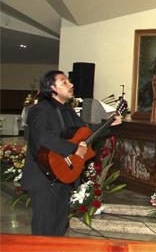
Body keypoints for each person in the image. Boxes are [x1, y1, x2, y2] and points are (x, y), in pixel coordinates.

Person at [21, 70, 122, 236]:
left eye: (68, 81)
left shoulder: (67, 111)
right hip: (43, 176)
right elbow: (44, 137)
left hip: (62, 174)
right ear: (51, 87)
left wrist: (109, 123)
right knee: (44, 229)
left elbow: (85, 134)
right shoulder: (40, 110)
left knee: (59, 227)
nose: (71, 85)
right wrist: (74, 149)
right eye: (64, 82)